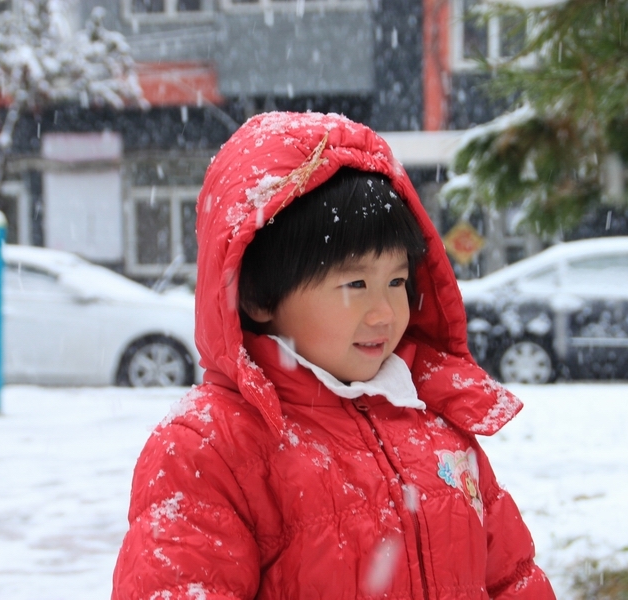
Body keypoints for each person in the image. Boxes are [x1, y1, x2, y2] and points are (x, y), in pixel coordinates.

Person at [112, 111, 555, 599]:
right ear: (257, 296)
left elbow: (511, 579)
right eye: (356, 284)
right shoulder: (211, 449)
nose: (384, 312)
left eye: (398, 281)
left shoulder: (434, 427)